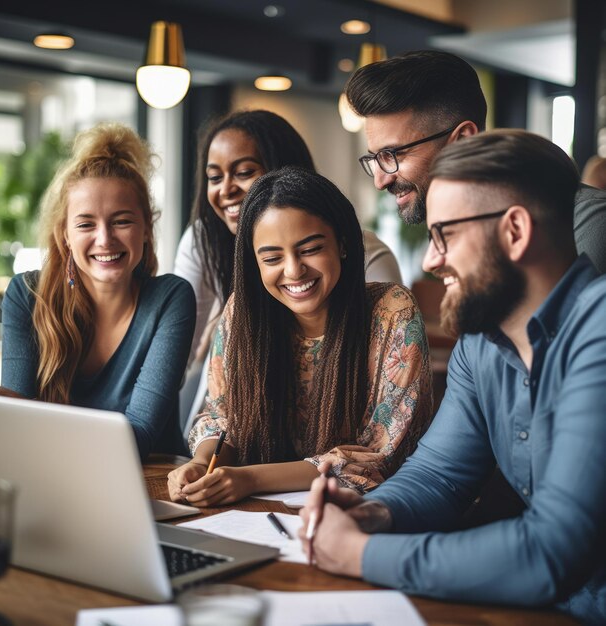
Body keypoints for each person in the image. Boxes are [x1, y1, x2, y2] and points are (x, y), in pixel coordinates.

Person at [299, 130, 606, 626]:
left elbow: (551, 550)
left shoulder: (600, 329)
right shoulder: (479, 344)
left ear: (514, 231)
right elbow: (439, 476)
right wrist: (366, 515)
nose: (429, 260)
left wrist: (357, 555)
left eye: (446, 235)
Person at [167, 166, 432, 506]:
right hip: (254, 515)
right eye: (273, 257)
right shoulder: (242, 313)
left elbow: (377, 458)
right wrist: (204, 464)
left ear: (343, 244)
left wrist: (250, 478)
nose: (293, 271)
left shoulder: (392, 312)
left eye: (309, 249)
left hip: (367, 516)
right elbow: (222, 416)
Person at [1, 123, 196, 461]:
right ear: (65, 235)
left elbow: (139, 436)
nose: (105, 239)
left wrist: (35, 432)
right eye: (86, 224)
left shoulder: (170, 299)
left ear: (146, 229)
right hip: (56, 482)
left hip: (155, 486)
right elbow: (14, 428)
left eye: (121, 221)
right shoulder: (26, 295)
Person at [174, 109, 402, 372]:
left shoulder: (370, 258)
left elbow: (386, 363)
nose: (225, 190)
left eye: (244, 172)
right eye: (214, 177)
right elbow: (181, 346)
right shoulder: (204, 238)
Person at [345, 49, 606, 275]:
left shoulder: (585, 223)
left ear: (463, 140)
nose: (380, 181)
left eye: (392, 154)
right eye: (375, 158)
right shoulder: (460, 228)